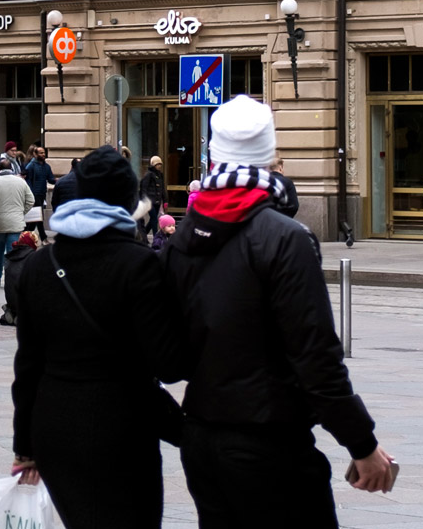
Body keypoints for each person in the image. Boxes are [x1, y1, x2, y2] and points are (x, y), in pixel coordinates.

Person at [162, 95, 395, 527]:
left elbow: (168, 359)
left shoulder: (183, 236)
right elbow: (315, 356)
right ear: (270, 155)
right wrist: (361, 443)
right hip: (270, 442)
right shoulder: (285, 237)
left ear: (213, 154)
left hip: (202, 439)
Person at [10, 145, 188, 527]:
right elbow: (169, 364)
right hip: (123, 427)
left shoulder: (41, 264)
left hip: (54, 427)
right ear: (128, 201)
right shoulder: (139, 264)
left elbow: (28, 365)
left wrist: (24, 446)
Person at [0, 159, 35, 287]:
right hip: (15, 223)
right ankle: (11, 277)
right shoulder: (21, 182)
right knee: (12, 252)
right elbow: (31, 200)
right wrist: (20, 212)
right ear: (11, 168)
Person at [1, 230, 38, 326]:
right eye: (36, 242)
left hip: (11, 300)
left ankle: (12, 312)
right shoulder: (32, 257)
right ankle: (23, 316)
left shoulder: (11, 256)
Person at [23, 146, 56, 243]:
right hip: (34, 194)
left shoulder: (46, 167)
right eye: (41, 153)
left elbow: (51, 179)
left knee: (34, 218)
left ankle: (25, 235)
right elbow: (27, 181)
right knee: (38, 216)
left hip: (42, 194)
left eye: (44, 153)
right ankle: (43, 238)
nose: (43, 155)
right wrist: (30, 194)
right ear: (35, 154)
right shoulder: (31, 166)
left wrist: (60, 181)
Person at [140, 155, 166, 239]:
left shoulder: (160, 175)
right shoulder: (148, 175)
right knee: (154, 218)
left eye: (160, 164)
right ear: (153, 165)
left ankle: (143, 235)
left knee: (152, 220)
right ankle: (156, 237)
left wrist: (165, 200)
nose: (159, 166)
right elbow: (144, 188)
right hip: (149, 201)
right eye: (157, 164)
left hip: (157, 201)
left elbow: (162, 188)